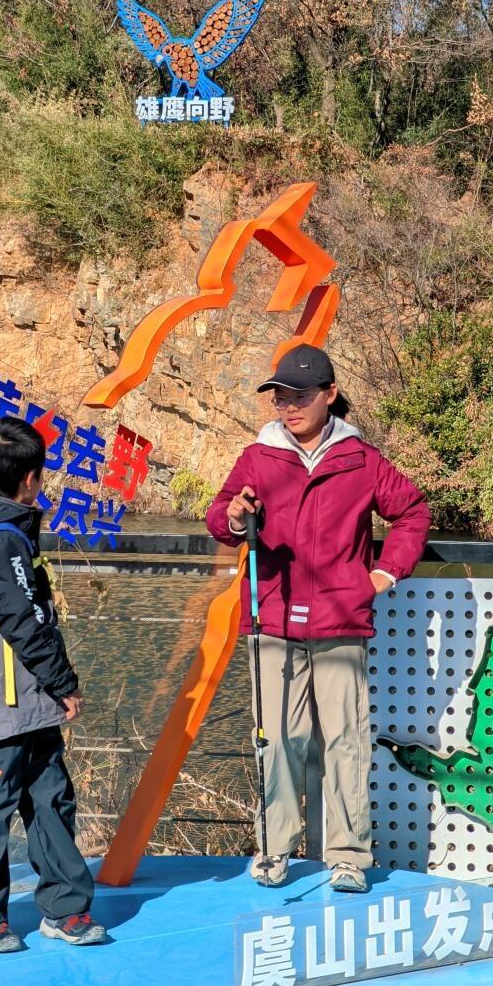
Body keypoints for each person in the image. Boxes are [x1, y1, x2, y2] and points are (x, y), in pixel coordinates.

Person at [206, 344, 431, 893]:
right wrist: (235, 517)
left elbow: (413, 512)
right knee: (277, 739)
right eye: (281, 396)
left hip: (340, 621)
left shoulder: (362, 460)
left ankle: (349, 856)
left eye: (300, 396)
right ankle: (273, 849)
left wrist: (382, 574)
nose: (288, 406)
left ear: (330, 395)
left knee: (347, 742)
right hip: (273, 620)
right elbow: (219, 515)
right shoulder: (258, 457)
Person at [0, 414, 106, 951]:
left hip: (28, 703)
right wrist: (65, 682)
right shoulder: (0, 544)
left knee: (51, 801)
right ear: (30, 479)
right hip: (0, 704)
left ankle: (65, 908)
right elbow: (26, 622)